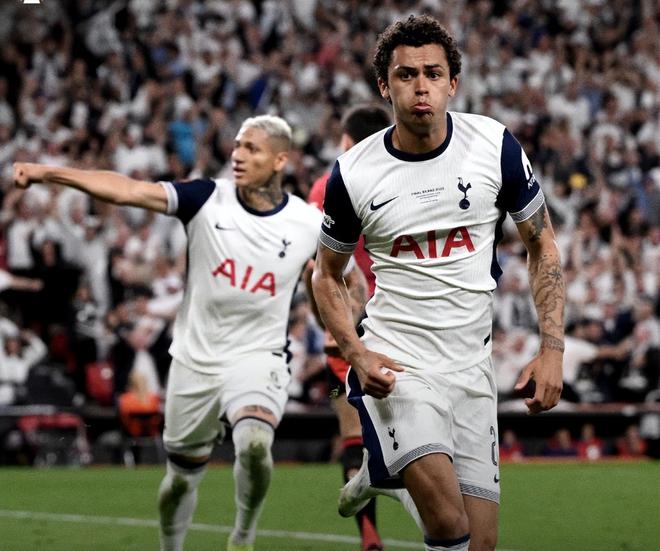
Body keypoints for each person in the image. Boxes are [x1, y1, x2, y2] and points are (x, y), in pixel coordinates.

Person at [13, 115, 325, 551]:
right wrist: (48, 172)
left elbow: (336, 282)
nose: (237, 155)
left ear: (280, 160)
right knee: (180, 480)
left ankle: (243, 536)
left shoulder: (308, 223)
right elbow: (128, 190)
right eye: (237, 145)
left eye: (251, 148)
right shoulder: (206, 198)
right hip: (195, 361)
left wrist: (344, 335)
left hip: (259, 357)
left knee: (255, 444)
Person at [311, 15, 565, 551]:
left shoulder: (493, 145)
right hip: (399, 366)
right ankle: (392, 461)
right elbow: (326, 275)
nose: (420, 86)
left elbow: (542, 244)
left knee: (480, 544)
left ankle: (381, 472)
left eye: (433, 73)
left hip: (471, 370)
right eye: (406, 75)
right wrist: (356, 353)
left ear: (454, 82)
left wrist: (552, 349)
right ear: (385, 86)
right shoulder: (353, 173)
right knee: (449, 525)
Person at [308, 104, 392, 551]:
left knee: (353, 431)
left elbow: (314, 262)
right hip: (398, 320)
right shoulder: (403, 179)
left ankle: (368, 536)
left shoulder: (327, 186)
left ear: (345, 141)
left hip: (347, 329)